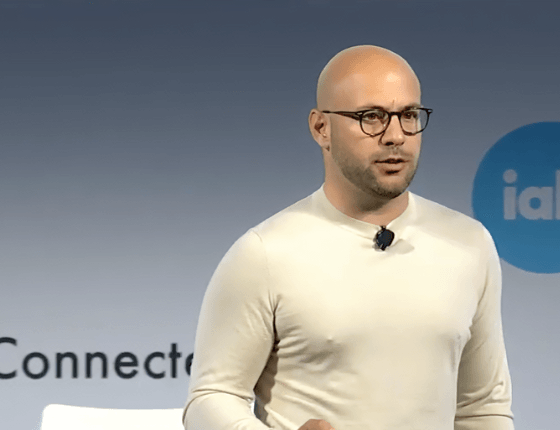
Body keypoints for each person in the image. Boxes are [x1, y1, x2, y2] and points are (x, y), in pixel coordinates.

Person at [183, 45, 514, 430]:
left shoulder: (470, 244)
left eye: (409, 115)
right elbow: (211, 398)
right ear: (321, 128)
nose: (395, 136)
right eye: (371, 117)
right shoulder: (264, 253)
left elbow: (482, 409)